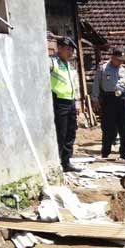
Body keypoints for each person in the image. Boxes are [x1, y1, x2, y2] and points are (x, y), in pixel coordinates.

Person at [49, 36, 81, 173]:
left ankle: (66, 162)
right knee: (60, 134)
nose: (70, 53)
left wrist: (78, 102)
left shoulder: (70, 66)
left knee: (70, 133)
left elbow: (76, 85)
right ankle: (58, 162)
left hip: (71, 102)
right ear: (60, 48)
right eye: (68, 49)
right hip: (59, 102)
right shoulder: (52, 62)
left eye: (72, 50)